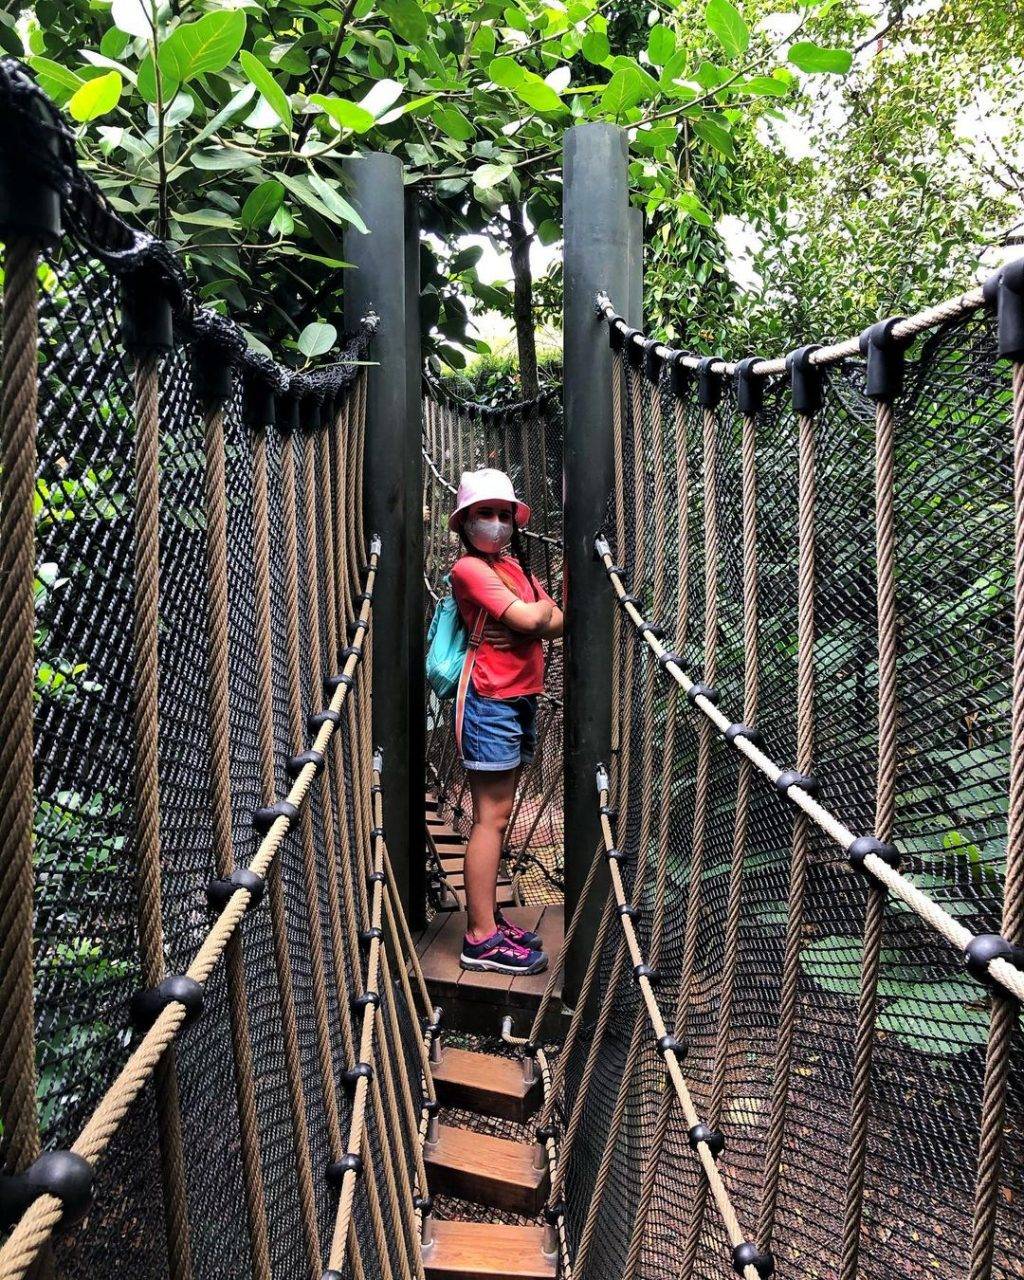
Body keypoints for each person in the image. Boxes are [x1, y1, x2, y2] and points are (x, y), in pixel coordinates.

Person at [448, 468, 563, 975]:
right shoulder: (468, 569)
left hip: (519, 699)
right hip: (489, 702)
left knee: (499, 815)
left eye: (503, 514)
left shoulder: (513, 566)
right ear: (465, 522)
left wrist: (533, 619)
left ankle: (487, 918)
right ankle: (479, 939)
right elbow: (534, 618)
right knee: (490, 819)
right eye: (484, 513)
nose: (496, 522)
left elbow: (554, 620)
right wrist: (531, 619)